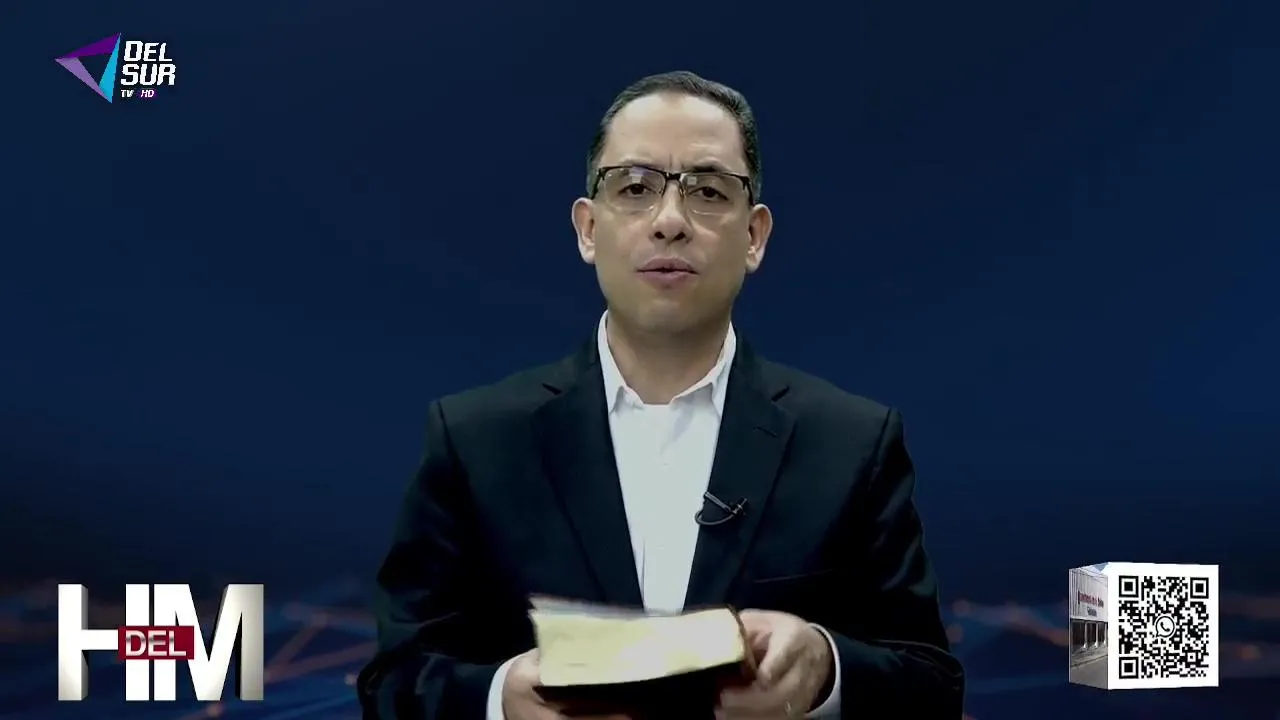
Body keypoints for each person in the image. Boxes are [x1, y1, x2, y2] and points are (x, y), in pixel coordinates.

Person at [357, 71, 964, 719]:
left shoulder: (850, 444)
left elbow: (932, 686)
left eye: (708, 191)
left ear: (754, 236)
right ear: (588, 229)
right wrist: (499, 699)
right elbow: (393, 681)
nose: (670, 221)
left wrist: (826, 668)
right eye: (635, 188)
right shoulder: (476, 439)